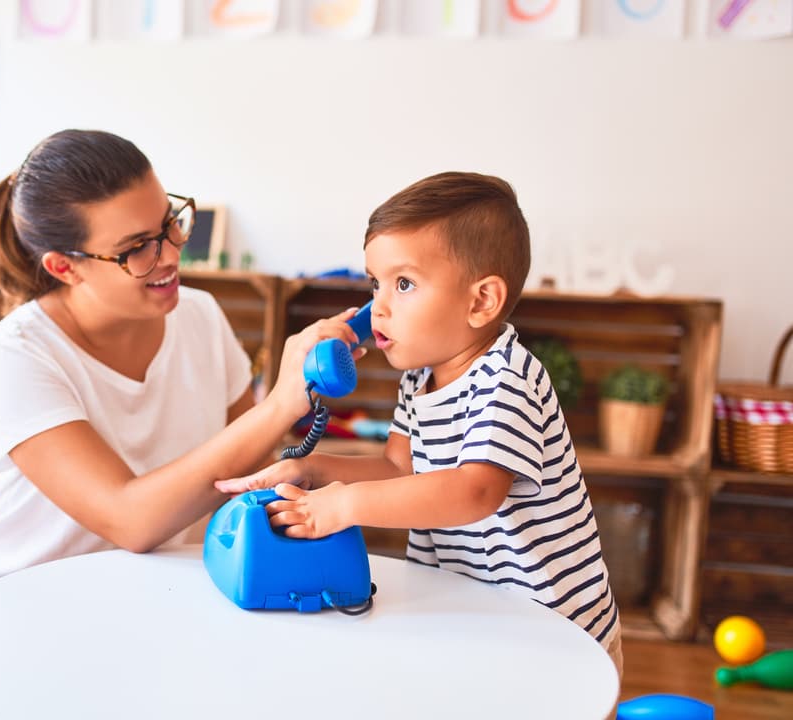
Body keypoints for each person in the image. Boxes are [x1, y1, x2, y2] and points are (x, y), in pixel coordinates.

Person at [0, 129, 363, 718]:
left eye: (169, 224)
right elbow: (129, 518)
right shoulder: (19, 355)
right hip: (14, 644)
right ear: (64, 266)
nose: (169, 255)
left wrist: (306, 399)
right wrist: (278, 405)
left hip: (143, 629)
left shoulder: (201, 317)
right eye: (136, 247)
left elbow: (253, 469)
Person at [216, 171, 623, 679]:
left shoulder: (507, 379)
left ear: (481, 302)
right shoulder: (420, 378)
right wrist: (315, 470)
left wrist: (343, 506)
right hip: (483, 620)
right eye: (374, 283)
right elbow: (399, 468)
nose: (376, 308)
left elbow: (474, 491)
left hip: (556, 633)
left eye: (403, 284)